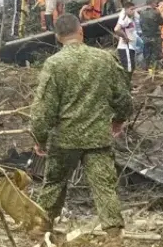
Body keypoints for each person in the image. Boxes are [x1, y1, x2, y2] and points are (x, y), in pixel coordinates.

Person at [31, 14, 132, 241]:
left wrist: (39, 138)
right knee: (104, 187)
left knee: (54, 184)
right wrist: (118, 120)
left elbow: (43, 109)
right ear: (81, 31)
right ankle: (114, 235)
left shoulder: (54, 64)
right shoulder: (104, 59)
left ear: (57, 37)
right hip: (97, 138)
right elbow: (124, 97)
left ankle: (40, 230)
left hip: (64, 139)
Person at [115, 1, 139, 73]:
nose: (133, 11)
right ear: (126, 9)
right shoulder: (124, 18)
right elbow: (117, 29)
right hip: (125, 47)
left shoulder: (131, 17)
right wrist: (125, 37)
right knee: (128, 69)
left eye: (134, 9)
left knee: (132, 67)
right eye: (131, 9)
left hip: (131, 47)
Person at [139, 0, 163, 72]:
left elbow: (140, 23)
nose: (156, 4)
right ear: (152, 3)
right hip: (155, 37)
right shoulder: (156, 12)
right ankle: (154, 70)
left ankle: (145, 69)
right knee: (156, 54)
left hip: (145, 36)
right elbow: (162, 22)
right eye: (155, 3)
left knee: (146, 54)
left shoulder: (142, 12)